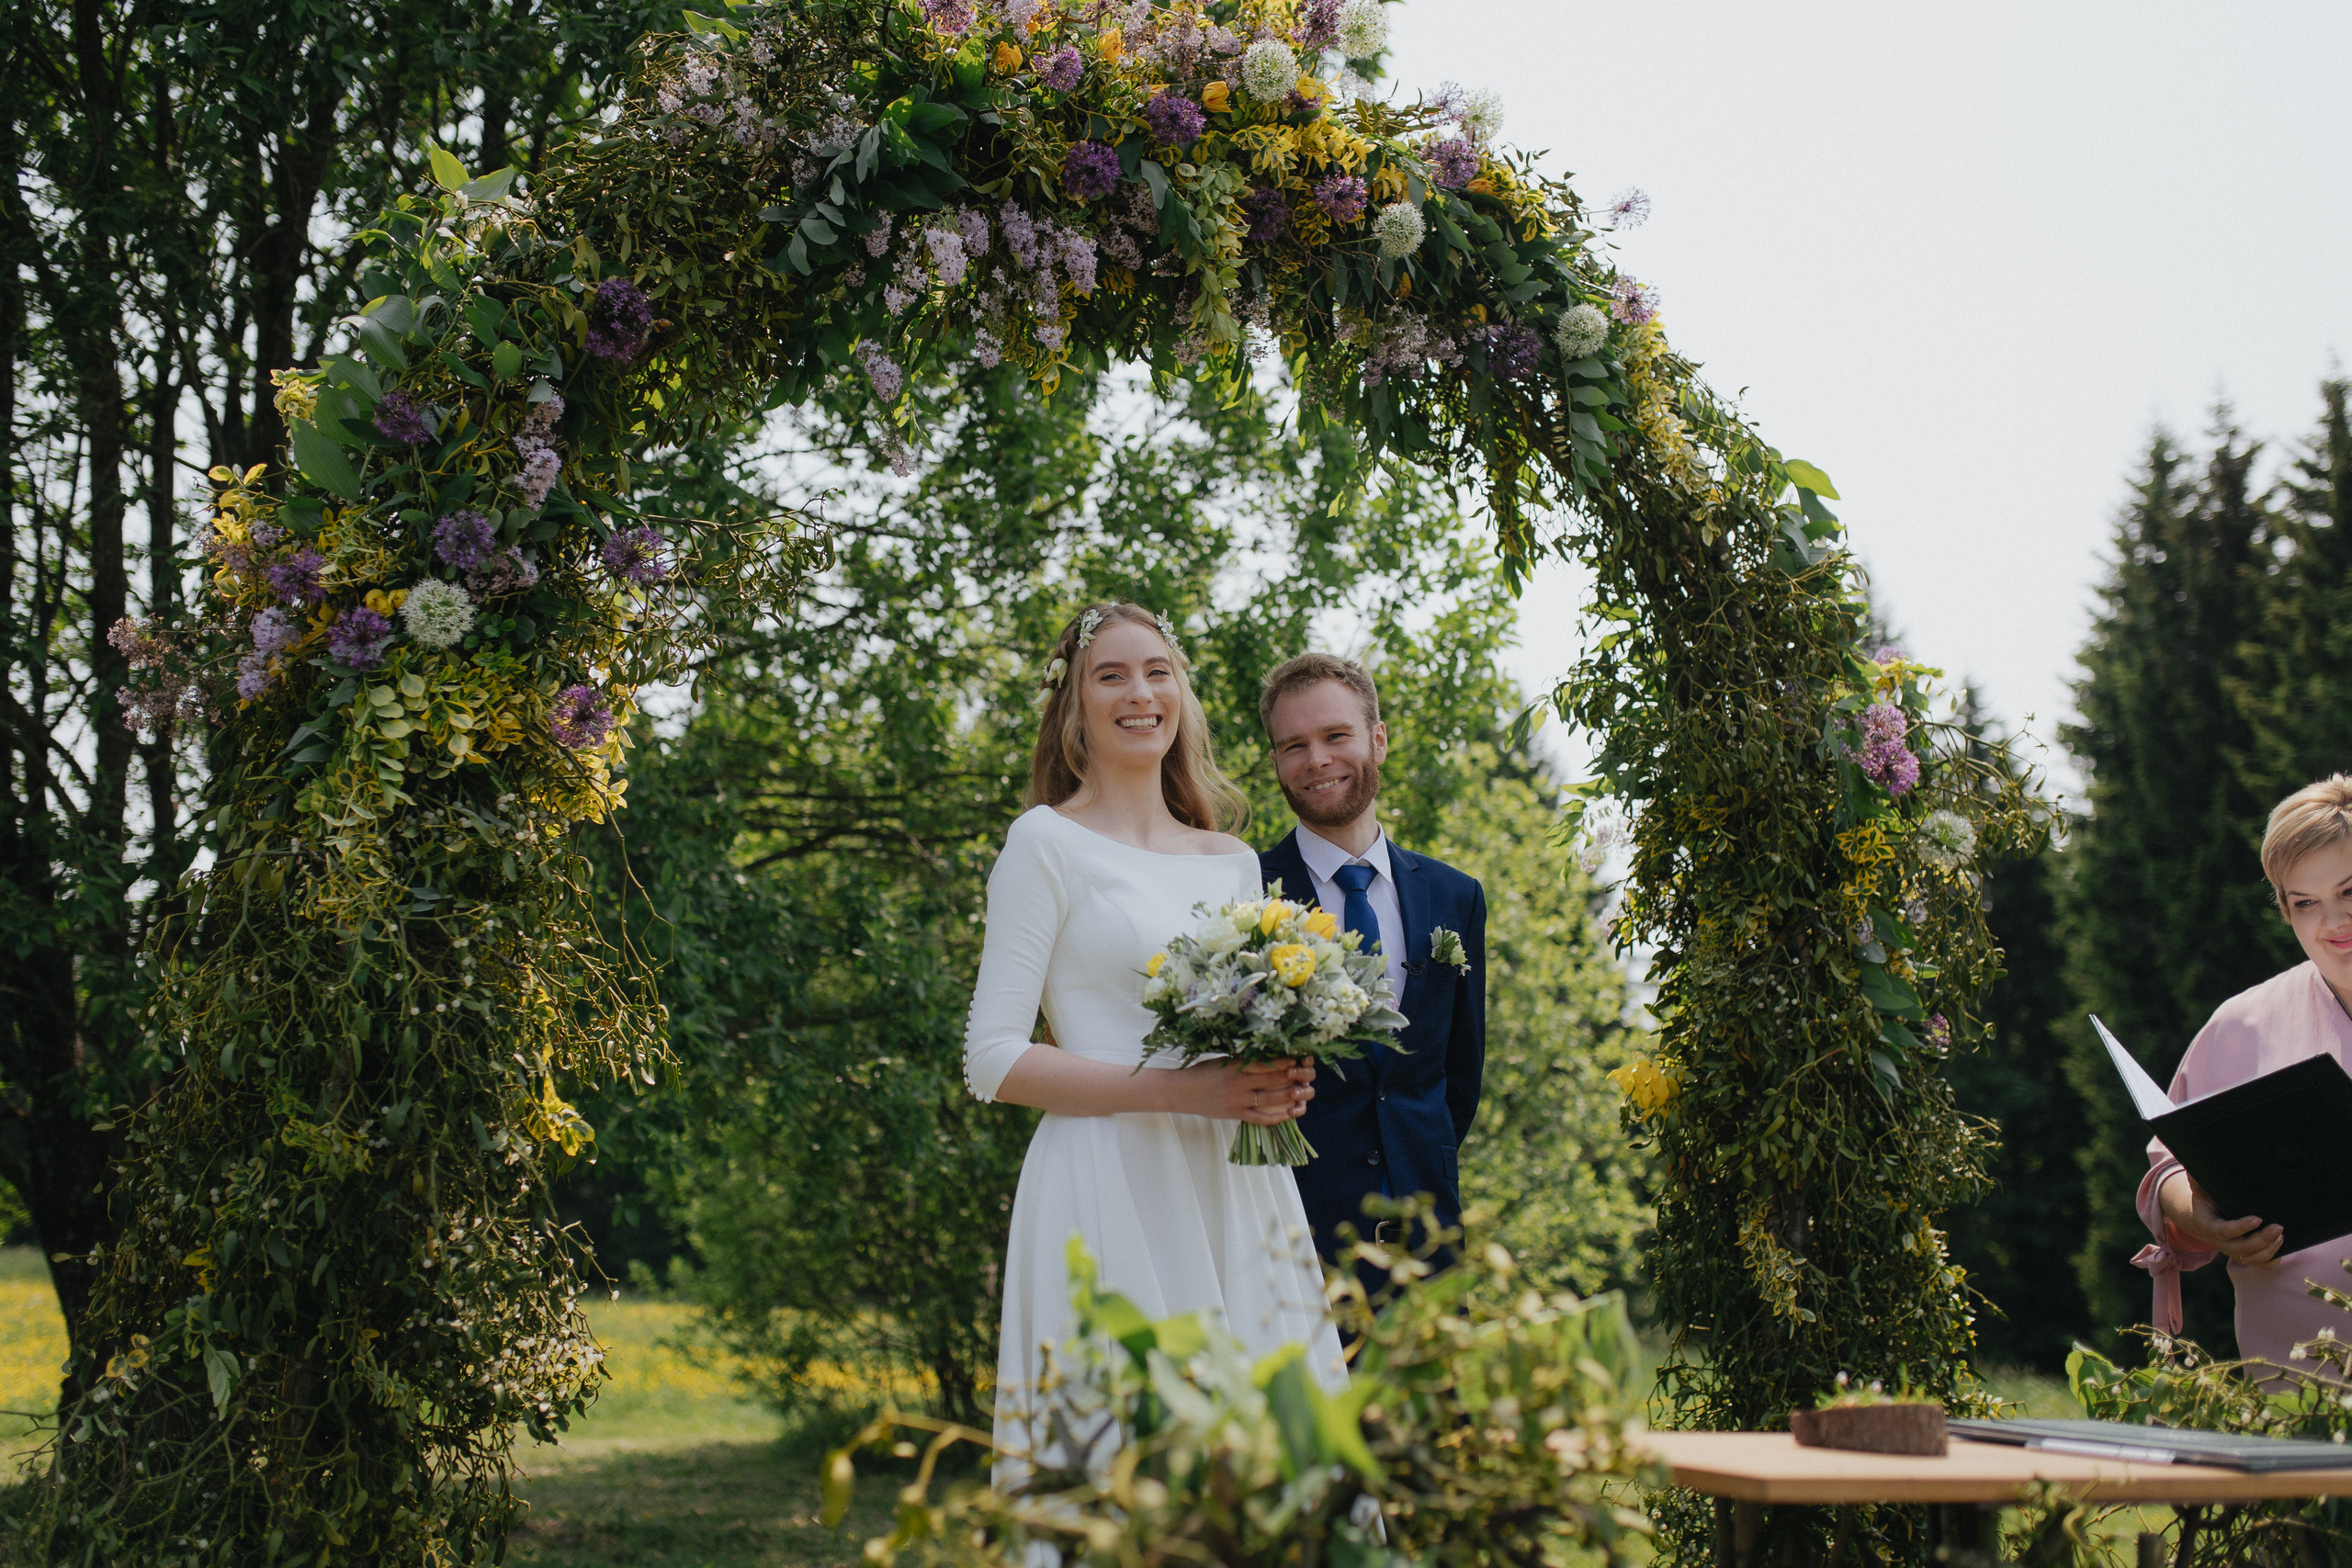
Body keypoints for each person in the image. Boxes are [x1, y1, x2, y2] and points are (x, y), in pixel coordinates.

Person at [963, 604, 1347, 1482]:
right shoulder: (1045, 843)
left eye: (1157, 671)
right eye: (1112, 675)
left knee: (1267, 1462)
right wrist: (1186, 1090)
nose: (1140, 693)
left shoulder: (1231, 860)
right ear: (1075, 706)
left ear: (1180, 693)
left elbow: (1244, 1024)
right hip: (1105, 1178)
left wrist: (1278, 1072)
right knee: (1129, 1466)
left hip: (1234, 1182)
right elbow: (992, 1057)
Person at [1254, 652, 1487, 1285]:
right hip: (1292, 1252)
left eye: (1336, 735)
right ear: (1276, 761)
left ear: (1377, 740)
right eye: (1294, 745)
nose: (1316, 759)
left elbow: (1458, 1079)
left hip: (1429, 1251)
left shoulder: (1455, 895)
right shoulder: (1245, 893)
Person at [2136, 773, 2352, 1368]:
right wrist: (2200, 1218)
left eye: (2350, 891)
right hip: (2289, 1385)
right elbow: (2171, 1164)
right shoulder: (2243, 1024)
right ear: (2284, 908)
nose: (2334, 921)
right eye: (2304, 902)